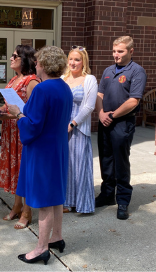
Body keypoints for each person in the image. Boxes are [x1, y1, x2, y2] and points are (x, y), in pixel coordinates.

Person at [7, 46, 73, 265]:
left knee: (45, 200)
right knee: (55, 196)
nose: (35, 64)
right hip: (58, 148)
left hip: (43, 151)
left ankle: (41, 248)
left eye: (37, 62)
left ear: (44, 64)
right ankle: (57, 237)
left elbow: (32, 126)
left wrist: (18, 114)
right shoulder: (64, 87)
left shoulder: (43, 90)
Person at [95, 36, 147, 220]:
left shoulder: (137, 71)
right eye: (114, 51)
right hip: (105, 121)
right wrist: (101, 114)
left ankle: (123, 199)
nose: (116, 55)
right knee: (106, 159)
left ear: (131, 51)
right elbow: (99, 94)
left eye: (120, 51)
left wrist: (112, 115)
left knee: (121, 162)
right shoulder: (108, 70)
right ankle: (107, 194)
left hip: (123, 123)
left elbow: (134, 100)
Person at [0, 45, 40, 229]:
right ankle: (16, 205)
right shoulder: (14, 79)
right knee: (15, 172)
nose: (11, 58)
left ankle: (27, 212)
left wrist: (14, 115)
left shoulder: (32, 81)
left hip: (22, 132)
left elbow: (33, 111)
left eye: (15, 56)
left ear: (25, 59)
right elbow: (10, 105)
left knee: (25, 171)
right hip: (10, 132)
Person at [61, 45, 98, 214]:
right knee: (65, 165)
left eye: (77, 59)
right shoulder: (62, 78)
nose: (73, 63)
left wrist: (72, 124)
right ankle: (67, 202)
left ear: (84, 62)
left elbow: (89, 107)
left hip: (78, 129)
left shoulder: (89, 79)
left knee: (79, 167)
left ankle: (82, 203)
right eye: (71, 59)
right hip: (61, 128)